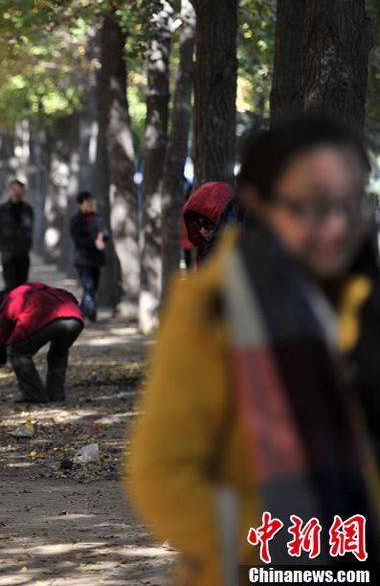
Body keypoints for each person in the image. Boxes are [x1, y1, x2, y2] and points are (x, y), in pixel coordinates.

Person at [127, 113, 380, 585]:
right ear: (259, 205)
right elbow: (161, 474)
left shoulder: (366, 298)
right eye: (310, 205)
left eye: (348, 203)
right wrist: (269, 547)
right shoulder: (211, 308)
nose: (333, 226)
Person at [0, 284, 84, 404]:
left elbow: (4, 331)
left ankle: (34, 395)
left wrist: (0, 356)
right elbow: (70, 297)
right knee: (58, 353)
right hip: (75, 317)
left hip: (47, 316)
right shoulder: (34, 288)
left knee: (17, 352)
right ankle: (56, 395)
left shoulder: (9, 299)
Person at [70, 191, 109, 321]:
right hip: (82, 259)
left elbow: (105, 232)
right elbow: (78, 240)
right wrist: (94, 242)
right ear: (81, 204)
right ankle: (91, 314)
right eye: (87, 202)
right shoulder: (76, 220)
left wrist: (102, 237)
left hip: (96, 259)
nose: (90, 204)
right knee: (89, 286)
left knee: (92, 288)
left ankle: (81, 311)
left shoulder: (97, 218)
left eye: (91, 201)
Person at [0, 180, 34, 290]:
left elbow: (30, 229)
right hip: (7, 253)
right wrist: (0, 246)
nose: (16, 192)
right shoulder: (1, 210)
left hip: (23, 253)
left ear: (22, 192)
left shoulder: (28, 209)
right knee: (10, 285)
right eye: (14, 189)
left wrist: (27, 245)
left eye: (19, 189)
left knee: (22, 285)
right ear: (9, 191)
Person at [181, 181, 232, 266]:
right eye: (197, 224)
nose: (203, 231)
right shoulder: (204, 248)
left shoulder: (236, 252)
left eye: (208, 223)